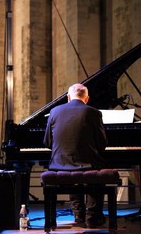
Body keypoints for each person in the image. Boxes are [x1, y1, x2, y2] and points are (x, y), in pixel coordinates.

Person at [43, 83, 108, 228]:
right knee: (94, 170)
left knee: (73, 170)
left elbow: (47, 142)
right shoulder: (93, 112)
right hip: (87, 164)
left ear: (68, 97)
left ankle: (79, 216)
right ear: (87, 98)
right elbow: (101, 144)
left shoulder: (54, 112)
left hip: (60, 164)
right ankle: (93, 217)